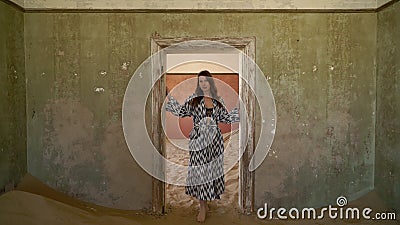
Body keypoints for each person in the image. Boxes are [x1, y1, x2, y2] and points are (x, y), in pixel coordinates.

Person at [165, 70, 239, 222]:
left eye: (206, 81)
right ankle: (202, 206)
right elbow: (180, 111)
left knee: (211, 172)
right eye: (201, 81)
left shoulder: (218, 100)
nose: (203, 84)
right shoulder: (194, 99)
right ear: (199, 84)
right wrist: (167, 96)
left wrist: (242, 111)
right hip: (199, 140)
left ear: (210, 83)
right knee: (200, 171)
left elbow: (225, 118)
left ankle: (207, 199)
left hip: (215, 142)